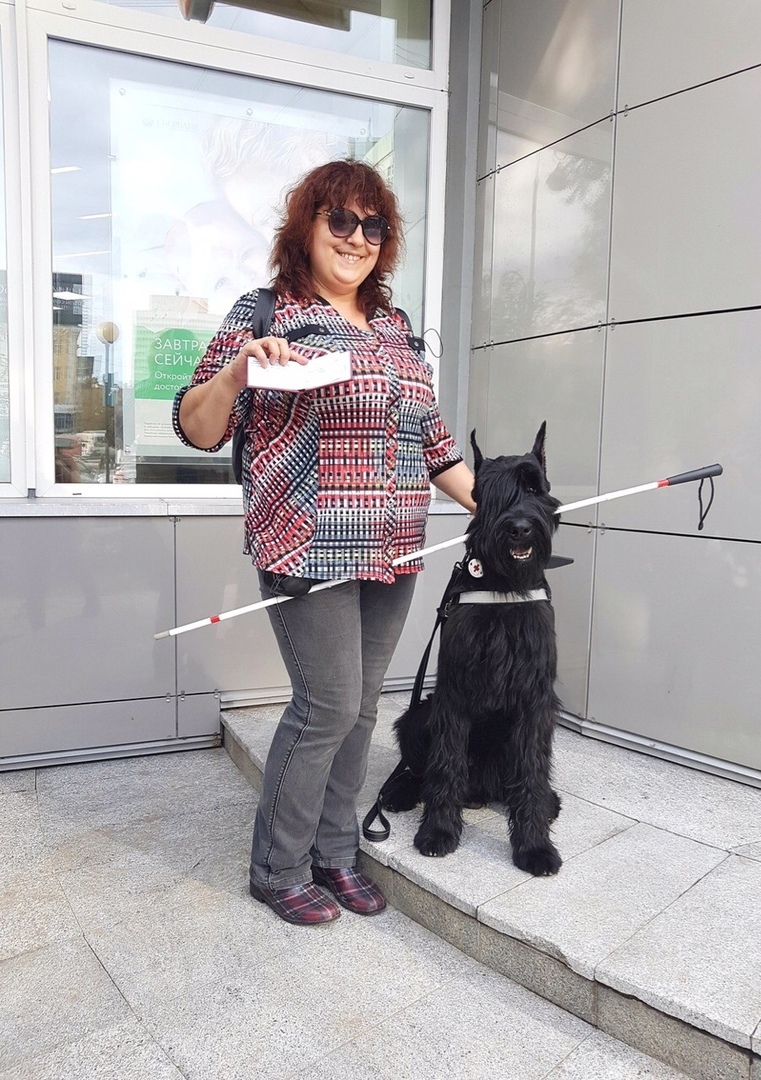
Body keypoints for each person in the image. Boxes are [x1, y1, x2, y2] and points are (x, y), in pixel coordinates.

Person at [173, 159, 475, 926]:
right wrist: (241, 371)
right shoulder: (266, 310)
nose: (356, 238)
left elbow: (433, 443)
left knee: (363, 708)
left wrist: (505, 509)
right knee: (326, 704)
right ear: (305, 227)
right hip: (306, 541)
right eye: (339, 219)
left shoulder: (397, 329)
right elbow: (196, 425)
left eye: (372, 225)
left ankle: (335, 854)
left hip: (394, 543)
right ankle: (277, 867)